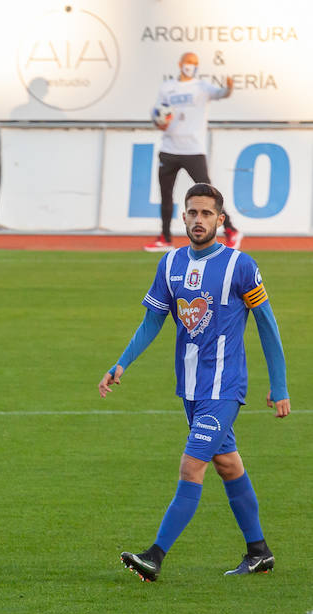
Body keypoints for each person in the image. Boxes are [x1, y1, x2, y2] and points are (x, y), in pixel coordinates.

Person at [99, 183, 289, 581]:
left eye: (206, 214)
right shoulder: (169, 265)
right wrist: (121, 364)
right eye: (192, 213)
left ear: (220, 220)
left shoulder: (240, 265)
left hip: (224, 387)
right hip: (190, 387)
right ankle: (259, 552)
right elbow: (152, 321)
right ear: (182, 217)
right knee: (227, 463)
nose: (198, 220)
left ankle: (154, 556)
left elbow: (267, 325)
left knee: (191, 466)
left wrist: (280, 385)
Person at [145, 51, 240, 253]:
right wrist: (160, 123)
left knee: (209, 193)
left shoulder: (201, 87)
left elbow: (222, 93)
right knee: (166, 195)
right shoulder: (167, 87)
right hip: (169, 148)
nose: (190, 65)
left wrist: (229, 87)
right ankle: (165, 237)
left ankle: (230, 229)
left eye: (194, 63)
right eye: (188, 62)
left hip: (193, 149)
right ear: (180, 63)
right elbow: (159, 113)